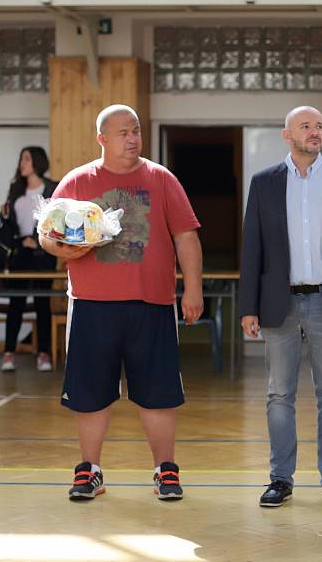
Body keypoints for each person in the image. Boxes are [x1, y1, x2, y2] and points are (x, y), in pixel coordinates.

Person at [39, 104, 203, 502]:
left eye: (136, 131)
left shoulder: (162, 179)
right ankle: (89, 471)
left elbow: (185, 236)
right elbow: (47, 234)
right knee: (90, 392)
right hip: (93, 305)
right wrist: (65, 250)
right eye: (123, 133)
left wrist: (193, 288)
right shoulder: (78, 181)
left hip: (153, 302)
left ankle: (166, 470)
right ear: (102, 139)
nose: (132, 139)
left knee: (159, 392)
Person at [239, 106, 322, 508]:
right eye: (306, 126)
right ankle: (280, 479)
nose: (315, 132)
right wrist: (249, 307)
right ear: (287, 135)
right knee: (279, 394)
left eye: (319, 126)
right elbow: (253, 250)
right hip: (278, 303)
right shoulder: (264, 183)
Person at [0, 146, 57, 372]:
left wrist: (37, 239)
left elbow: (57, 218)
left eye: (26, 159)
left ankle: (44, 354)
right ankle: (8, 353)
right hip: (20, 254)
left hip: (43, 253)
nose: (21, 163)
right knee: (16, 302)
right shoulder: (16, 188)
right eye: (21, 159)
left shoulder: (51, 187)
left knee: (43, 303)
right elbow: (9, 222)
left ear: (37, 162)